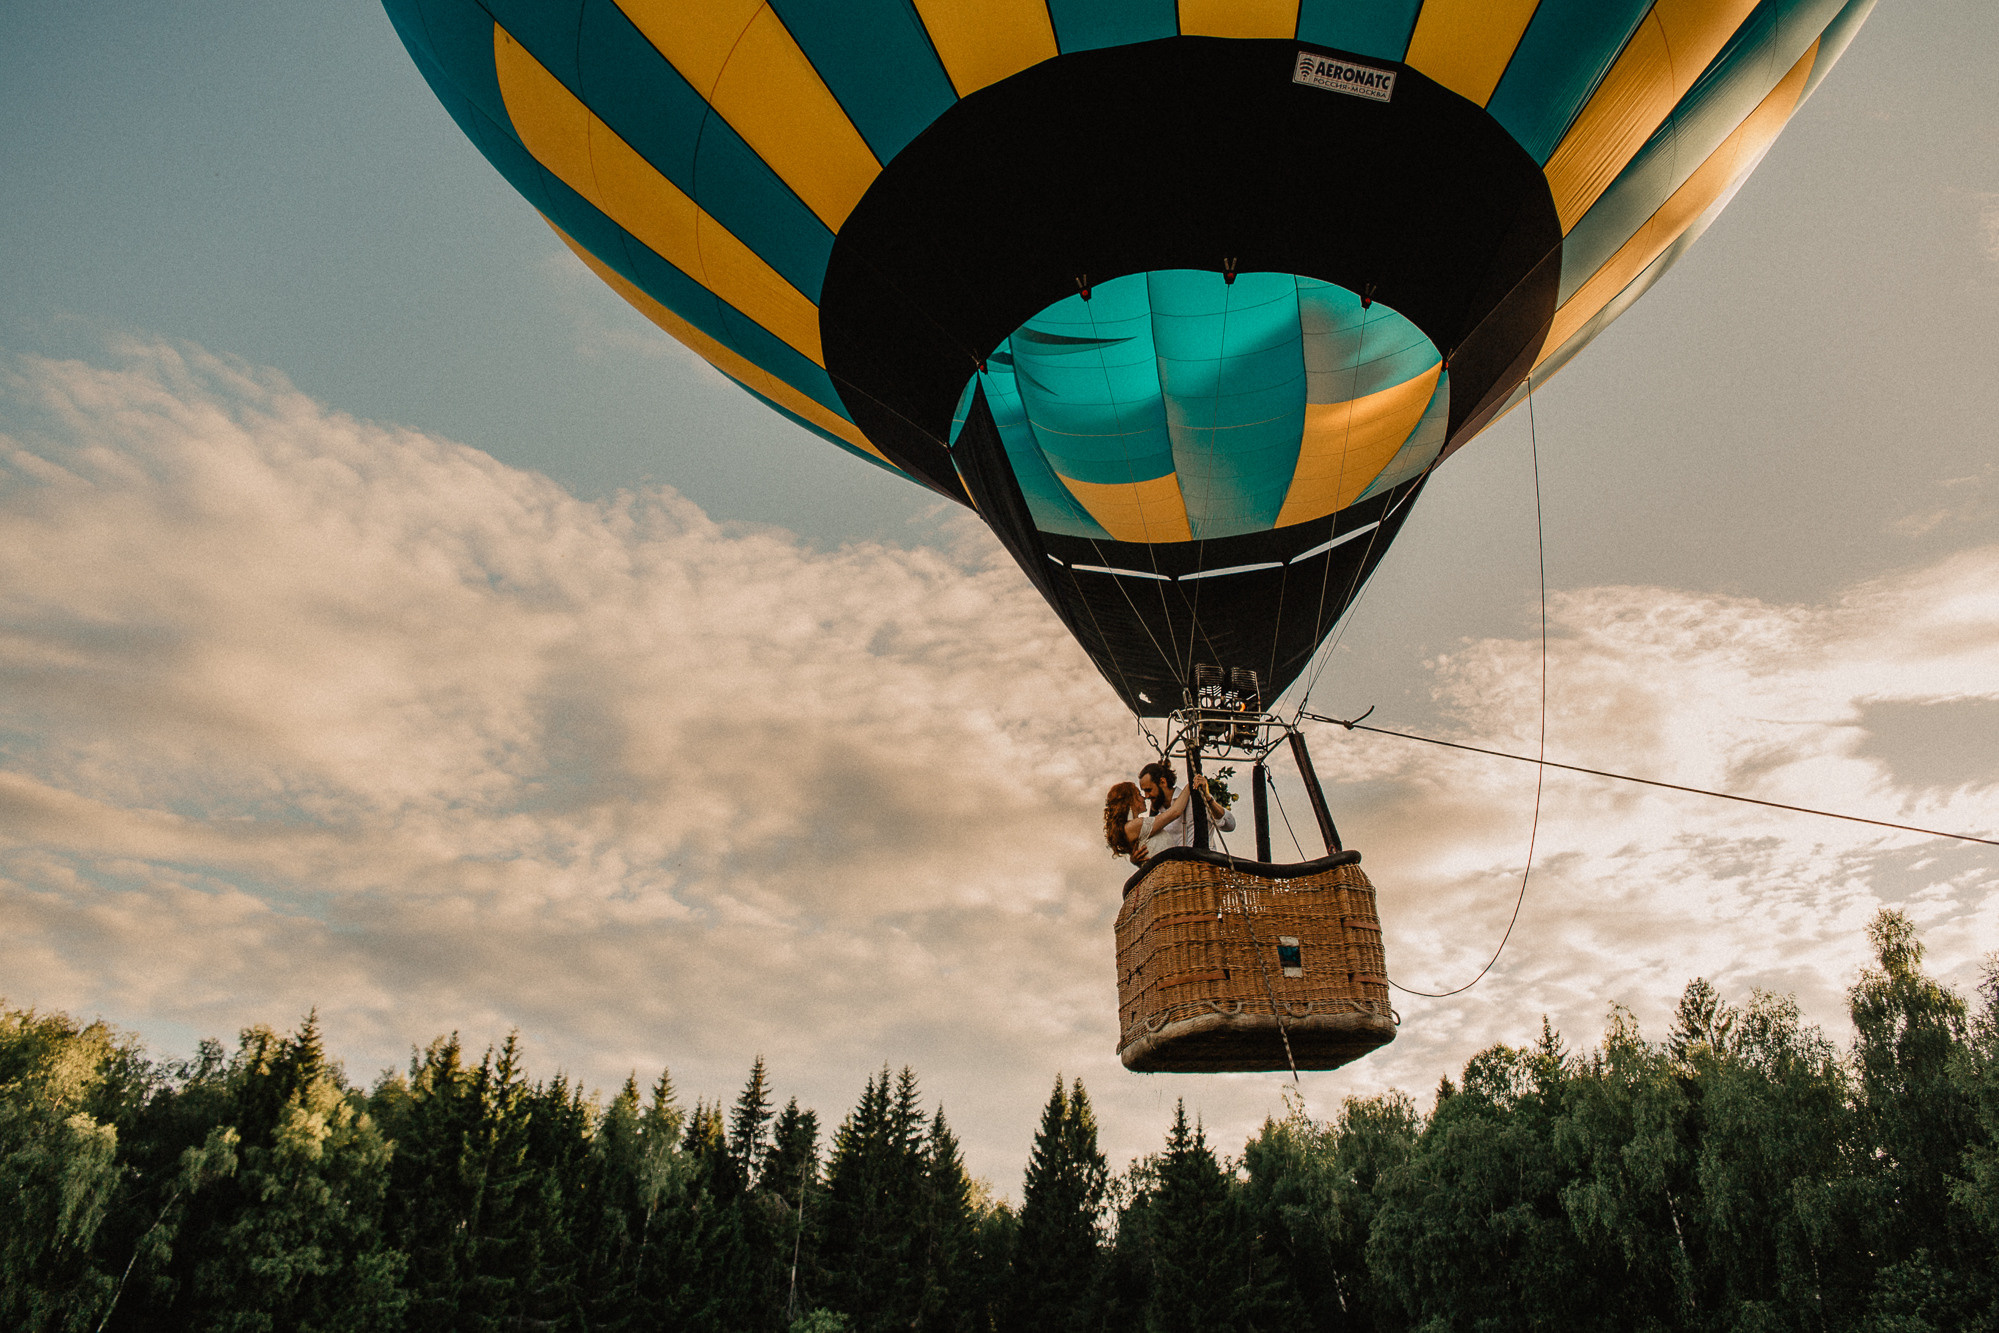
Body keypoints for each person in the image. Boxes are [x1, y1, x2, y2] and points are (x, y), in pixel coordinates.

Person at [1137, 761, 1235, 858]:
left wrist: (1208, 798)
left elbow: (1229, 825)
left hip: (1203, 864)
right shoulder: (1157, 815)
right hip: (1175, 867)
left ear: (1163, 782)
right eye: (1144, 791)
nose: (1146, 796)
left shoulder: (1194, 799)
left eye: (1148, 790)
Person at [1103, 778, 1190, 866]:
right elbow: (1175, 812)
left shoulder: (1129, 827)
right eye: (1139, 794)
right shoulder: (1133, 826)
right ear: (1130, 800)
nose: (1144, 797)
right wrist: (1189, 786)